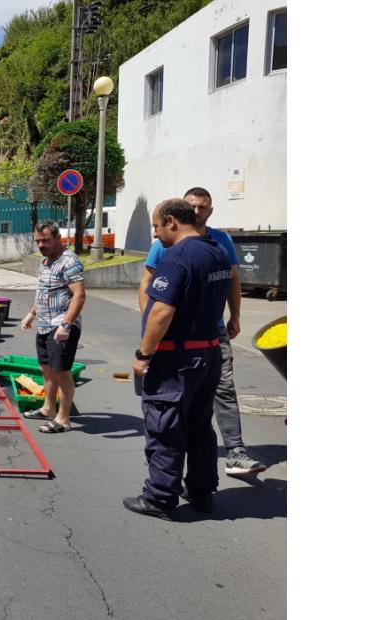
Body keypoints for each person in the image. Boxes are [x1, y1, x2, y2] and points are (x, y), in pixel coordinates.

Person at [138, 187, 267, 478]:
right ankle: (198, 483)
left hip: (204, 337)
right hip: (187, 339)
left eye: (203, 207)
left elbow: (232, 281)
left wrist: (235, 315)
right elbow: (148, 287)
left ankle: (232, 452)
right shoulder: (168, 245)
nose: (197, 212)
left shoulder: (217, 243)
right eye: (192, 206)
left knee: (199, 401)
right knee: (192, 412)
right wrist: (151, 327)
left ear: (210, 211)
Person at [124, 199, 232, 520]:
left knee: (165, 425)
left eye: (156, 227)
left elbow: (162, 311)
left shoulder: (177, 257)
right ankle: (200, 490)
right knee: (199, 426)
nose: (155, 235)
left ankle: (159, 497)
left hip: (176, 360)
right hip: (209, 354)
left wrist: (144, 354)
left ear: (171, 221)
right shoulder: (218, 251)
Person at [19, 220, 86, 433]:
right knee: (46, 369)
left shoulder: (69, 261)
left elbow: (79, 295)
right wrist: (31, 314)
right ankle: (48, 408)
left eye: (45, 240)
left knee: (62, 372)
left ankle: (63, 419)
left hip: (61, 325)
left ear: (58, 238)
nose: (40, 245)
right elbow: (44, 292)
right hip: (44, 324)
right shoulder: (46, 262)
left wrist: (66, 325)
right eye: (37, 241)